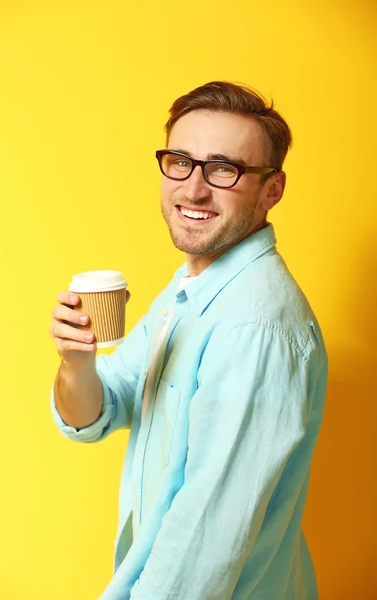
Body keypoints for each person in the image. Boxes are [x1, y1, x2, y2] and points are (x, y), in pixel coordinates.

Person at [49, 81, 328, 600]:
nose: (194, 189)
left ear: (272, 189)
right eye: (181, 160)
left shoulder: (253, 326)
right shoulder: (192, 291)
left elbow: (205, 539)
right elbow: (100, 410)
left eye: (225, 169)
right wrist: (76, 363)